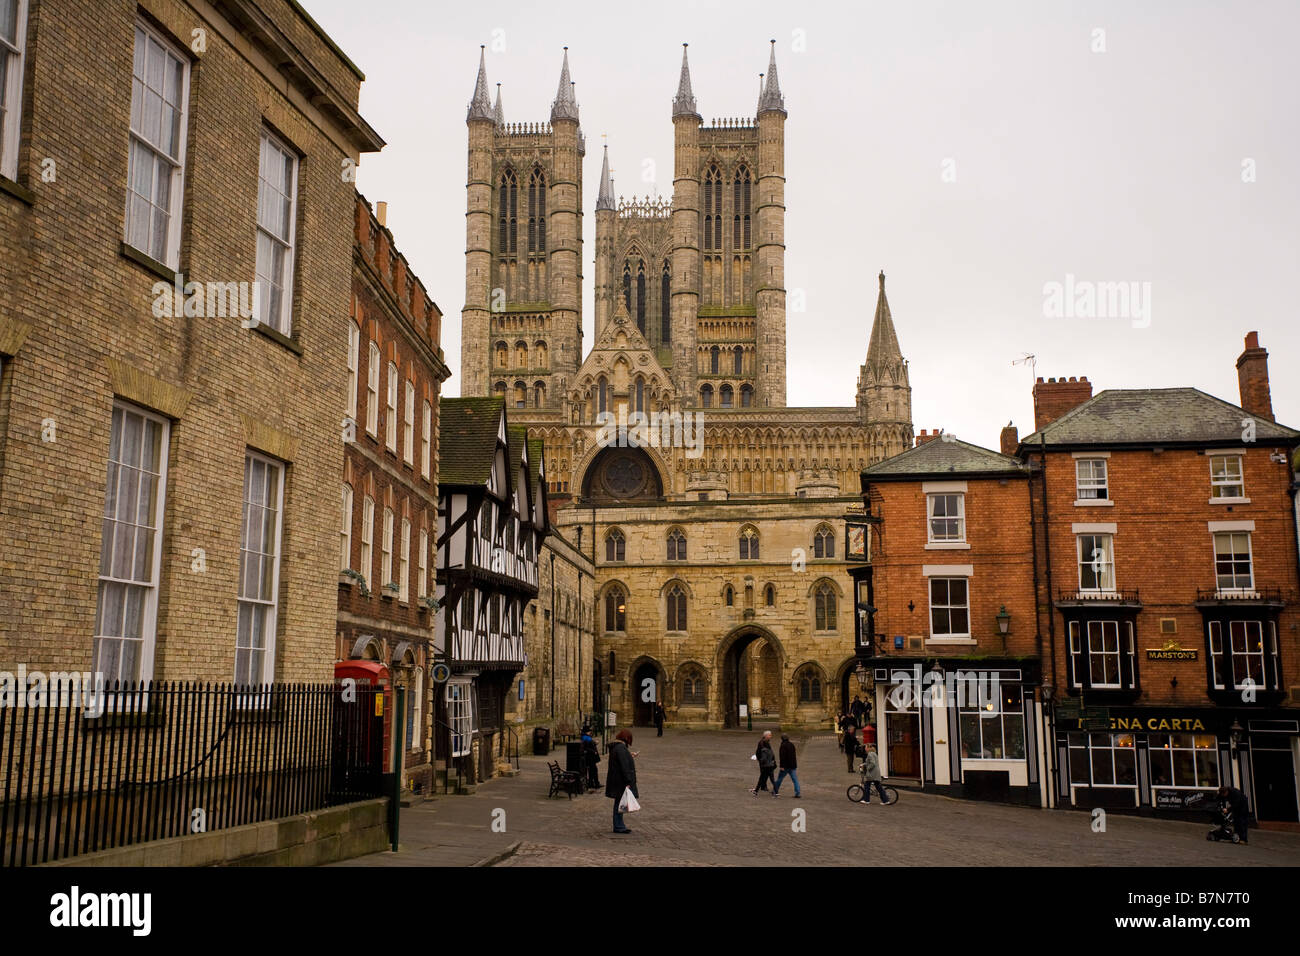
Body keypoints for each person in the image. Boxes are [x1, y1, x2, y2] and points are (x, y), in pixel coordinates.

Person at [606, 729, 638, 834]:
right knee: (619, 805)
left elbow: (622, 760)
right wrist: (628, 781)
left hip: (617, 781)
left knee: (620, 804)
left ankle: (620, 825)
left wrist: (629, 755)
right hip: (620, 782)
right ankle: (619, 826)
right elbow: (624, 766)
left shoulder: (618, 748)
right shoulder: (621, 749)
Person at [773, 733, 801, 798]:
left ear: (782, 739)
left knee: (780, 779)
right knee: (795, 780)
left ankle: (775, 790)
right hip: (792, 765)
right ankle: (798, 793)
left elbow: (782, 757)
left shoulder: (783, 745)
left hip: (785, 766)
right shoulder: (791, 744)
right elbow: (793, 755)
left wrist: (782, 766)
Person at [751, 730, 778, 796]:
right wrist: (761, 760)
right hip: (766, 764)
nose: (771, 736)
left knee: (764, 776)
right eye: (769, 735)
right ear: (765, 736)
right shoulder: (762, 744)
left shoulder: (766, 744)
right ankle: (768, 789)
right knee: (767, 777)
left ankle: (759, 789)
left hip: (767, 764)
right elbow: (761, 754)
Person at [580, 726, 601, 791]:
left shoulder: (586, 737)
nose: (590, 732)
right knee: (593, 770)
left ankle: (593, 783)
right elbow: (586, 747)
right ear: (586, 732)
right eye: (589, 731)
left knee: (592, 770)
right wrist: (593, 751)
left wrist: (594, 743)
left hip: (590, 757)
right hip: (590, 757)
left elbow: (590, 744)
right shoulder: (585, 738)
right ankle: (595, 784)